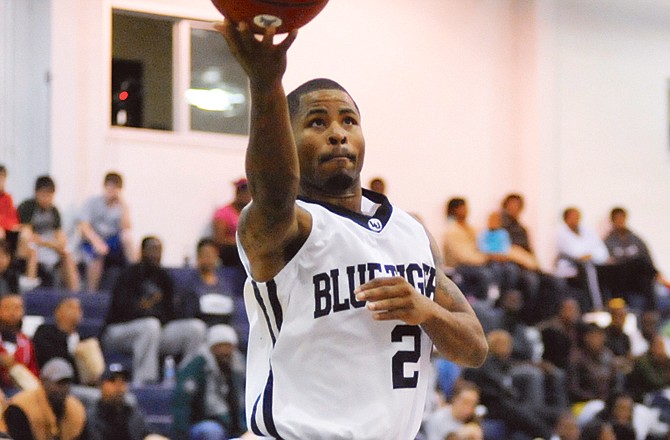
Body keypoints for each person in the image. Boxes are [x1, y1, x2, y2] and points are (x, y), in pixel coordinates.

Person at [216, 20, 487, 439]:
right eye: (317, 123)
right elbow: (272, 190)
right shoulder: (284, 229)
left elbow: (474, 348)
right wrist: (265, 83)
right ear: (286, 139)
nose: (338, 134)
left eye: (348, 120)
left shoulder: (412, 233)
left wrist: (427, 310)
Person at [102, 236, 206, 385]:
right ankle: (145, 381)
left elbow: (172, 314)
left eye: (159, 251)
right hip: (119, 332)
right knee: (150, 325)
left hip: (154, 331)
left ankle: (186, 380)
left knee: (196, 328)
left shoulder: (165, 278)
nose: (155, 254)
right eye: (152, 249)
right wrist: (146, 308)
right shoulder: (128, 275)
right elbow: (120, 310)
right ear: (142, 251)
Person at [172, 324, 245, 440]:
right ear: (211, 347)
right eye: (220, 346)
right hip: (203, 421)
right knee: (211, 431)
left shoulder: (239, 365)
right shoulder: (196, 366)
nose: (225, 351)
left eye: (228, 346)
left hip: (234, 423)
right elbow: (182, 404)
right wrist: (181, 435)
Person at [174, 238, 248, 350]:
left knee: (229, 335)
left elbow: (231, 311)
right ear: (198, 257)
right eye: (205, 255)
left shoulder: (225, 285)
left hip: (223, 329)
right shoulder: (191, 284)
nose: (208, 258)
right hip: (201, 331)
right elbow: (187, 315)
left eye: (211, 255)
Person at [443, 197, 519, 300]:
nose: (465, 210)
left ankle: (503, 302)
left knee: (508, 269)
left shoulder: (472, 229)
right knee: (486, 274)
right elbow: (463, 256)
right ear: (454, 210)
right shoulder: (451, 231)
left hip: (479, 261)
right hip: (461, 266)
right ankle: (485, 305)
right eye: (462, 208)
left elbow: (482, 247)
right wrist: (487, 257)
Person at [16, 176, 79, 291]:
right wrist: (47, 243)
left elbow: (61, 238)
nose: (46, 199)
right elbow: (27, 235)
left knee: (67, 254)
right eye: (43, 195)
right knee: (32, 251)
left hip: (48, 245)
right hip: (28, 247)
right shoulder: (27, 206)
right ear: (36, 193)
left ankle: (75, 293)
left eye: (49, 195)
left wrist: (48, 243)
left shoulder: (54, 210)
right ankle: (30, 291)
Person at [0, 357, 86, 440]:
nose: (63, 388)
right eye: (59, 383)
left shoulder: (76, 409)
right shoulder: (21, 406)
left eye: (66, 383)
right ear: (43, 381)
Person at [78, 171, 134, 292]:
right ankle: (91, 292)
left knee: (128, 238)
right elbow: (83, 227)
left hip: (112, 242)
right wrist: (96, 242)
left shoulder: (122, 206)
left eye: (115, 188)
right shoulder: (92, 202)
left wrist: (124, 206)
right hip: (93, 241)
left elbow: (127, 227)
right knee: (97, 253)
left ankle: (136, 276)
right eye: (109, 186)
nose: (111, 190)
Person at [603, 206, 668, 311]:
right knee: (639, 262)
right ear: (613, 220)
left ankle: (651, 312)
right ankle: (661, 279)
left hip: (637, 278)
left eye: (622, 218)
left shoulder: (635, 239)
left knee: (645, 277)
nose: (620, 221)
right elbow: (609, 261)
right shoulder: (608, 241)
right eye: (617, 218)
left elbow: (647, 256)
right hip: (620, 276)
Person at [555, 207, 610, 312]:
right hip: (571, 268)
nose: (576, 220)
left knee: (606, 269)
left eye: (577, 217)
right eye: (572, 217)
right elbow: (576, 254)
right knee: (588, 268)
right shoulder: (561, 234)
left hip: (592, 263)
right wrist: (591, 255)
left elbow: (602, 252)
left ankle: (608, 304)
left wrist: (590, 255)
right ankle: (596, 306)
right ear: (565, 219)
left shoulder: (588, 232)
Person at [86, 363, 153, 440]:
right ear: (101, 385)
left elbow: (149, 434)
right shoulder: (91, 417)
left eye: (123, 380)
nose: (119, 385)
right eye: (112, 380)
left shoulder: (133, 413)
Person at [0, 293, 39, 392]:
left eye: (17, 308)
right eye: (7, 308)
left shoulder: (27, 343)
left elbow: (33, 372)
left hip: (20, 392)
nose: (12, 313)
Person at [212, 178, 250, 268]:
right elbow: (219, 239)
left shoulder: (253, 214)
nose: (245, 195)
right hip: (231, 252)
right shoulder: (223, 213)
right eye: (242, 192)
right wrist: (241, 242)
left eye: (248, 192)